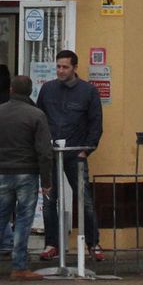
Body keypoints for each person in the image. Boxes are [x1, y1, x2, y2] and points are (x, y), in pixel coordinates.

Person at [0, 73, 51, 280]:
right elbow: (44, 152)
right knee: (24, 219)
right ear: (30, 91)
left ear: (11, 90)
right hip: (27, 171)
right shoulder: (36, 115)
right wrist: (46, 180)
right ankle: (19, 266)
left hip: (3, 171)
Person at [36, 49, 104, 262]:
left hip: (76, 154)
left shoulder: (88, 91)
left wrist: (86, 150)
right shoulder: (47, 89)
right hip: (52, 154)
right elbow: (39, 119)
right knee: (49, 200)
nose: (60, 71)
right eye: (58, 66)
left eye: (65, 67)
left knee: (85, 200)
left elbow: (96, 123)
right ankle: (52, 244)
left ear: (75, 68)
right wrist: (42, 148)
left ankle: (93, 243)